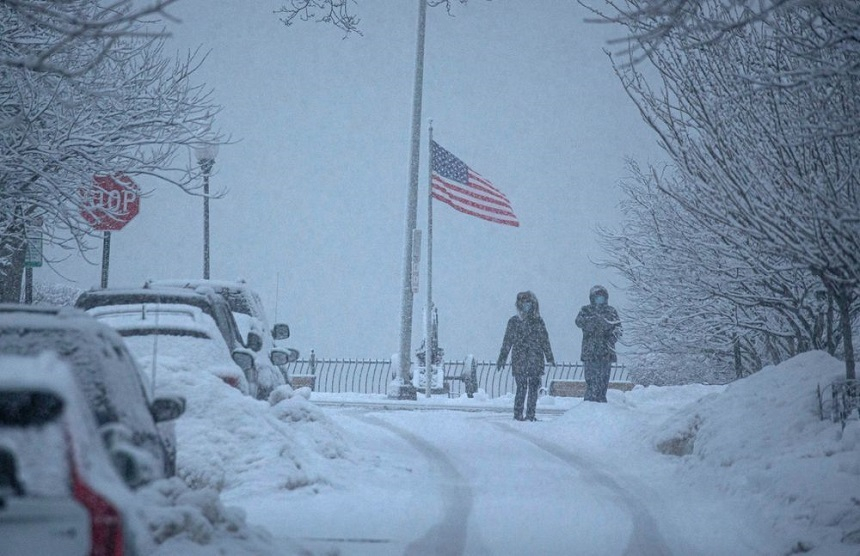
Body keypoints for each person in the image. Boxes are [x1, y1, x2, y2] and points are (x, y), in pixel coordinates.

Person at [497, 291, 555, 421]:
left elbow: (545, 340)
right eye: (524, 302)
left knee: (533, 388)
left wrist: (549, 357)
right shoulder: (514, 322)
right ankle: (518, 414)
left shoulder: (538, 321)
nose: (526, 305)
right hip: (521, 359)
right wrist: (502, 358)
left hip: (531, 359)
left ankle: (530, 414)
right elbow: (507, 342)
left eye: (528, 302)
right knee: (522, 388)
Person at [575, 285, 622, 403]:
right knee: (591, 380)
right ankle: (590, 403)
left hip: (606, 352)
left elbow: (618, 330)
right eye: (597, 297)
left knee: (603, 380)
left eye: (602, 297)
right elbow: (579, 322)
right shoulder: (586, 310)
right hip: (590, 352)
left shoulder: (611, 311)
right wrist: (594, 321)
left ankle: (601, 402)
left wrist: (610, 340)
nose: (599, 299)